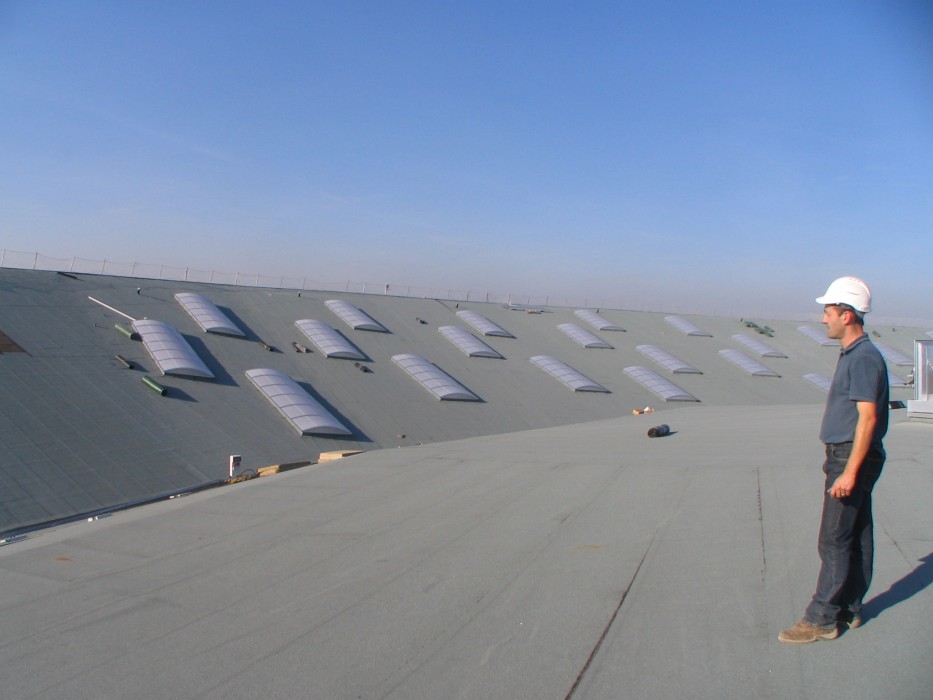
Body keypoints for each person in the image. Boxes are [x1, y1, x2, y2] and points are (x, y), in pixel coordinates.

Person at [779, 276, 889, 644]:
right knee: (856, 533)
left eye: (827, 312)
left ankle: (821, 618)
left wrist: (849, 472)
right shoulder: (859, 355)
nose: (823, 318)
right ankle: (850, 609)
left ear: (846, 314)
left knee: (833, 539)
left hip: (849, 455)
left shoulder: (863, 358)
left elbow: (868, 418)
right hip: (852, 454)